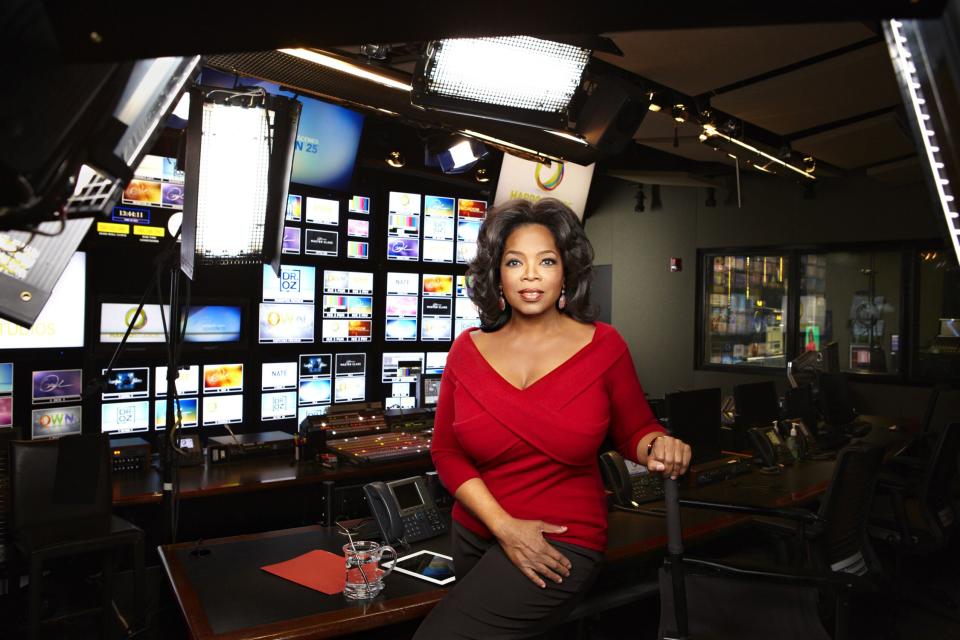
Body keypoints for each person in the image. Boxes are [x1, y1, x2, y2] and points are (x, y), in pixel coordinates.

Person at [413, 198, 692, 639]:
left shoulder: (604, 346)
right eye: (514, 261)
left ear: (565, 273)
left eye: (546, 261)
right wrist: (502, 525)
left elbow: (636, 430)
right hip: (477, 531)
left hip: (561, 541)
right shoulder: (465, 351)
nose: (530, 274)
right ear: (496, 275)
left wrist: (660, 445)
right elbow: (445, 450)